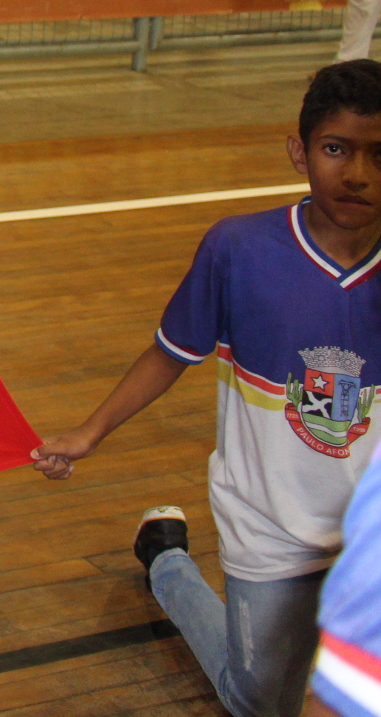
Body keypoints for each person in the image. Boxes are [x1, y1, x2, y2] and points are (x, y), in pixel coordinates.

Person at [32, 60, 381, 717]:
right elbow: (170, 354)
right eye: (336, 149)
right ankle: (166, 561)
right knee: (258, 704)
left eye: (378, 154)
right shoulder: (238, 250)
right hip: (268, 528)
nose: (357, 173)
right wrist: (89, 432)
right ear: (298, 152)